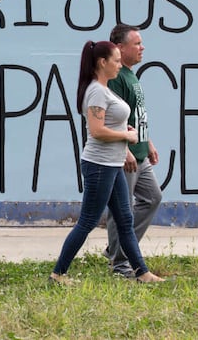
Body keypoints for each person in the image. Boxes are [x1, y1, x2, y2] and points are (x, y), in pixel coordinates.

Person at [49, 40, 163, 285]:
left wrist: (124, 127)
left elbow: (108, 122)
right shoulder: (96, 91)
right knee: (88, 221)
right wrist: (127, 136)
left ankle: (142, 273)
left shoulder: (104, 89)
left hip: (112, 164)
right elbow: (97, 130)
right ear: (102, 62)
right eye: (116, 60)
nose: (119, 65)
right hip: (99, 165)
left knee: (125, 219)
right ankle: (58, 274)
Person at [104, 24, 162, 279]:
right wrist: (124, 149)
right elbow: (112, 118)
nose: (142, 47)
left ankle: (117, 248)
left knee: (152, 198)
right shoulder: (116, 78)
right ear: (120, 48)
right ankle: (120, 265)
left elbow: (136, 117)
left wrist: (147, 142)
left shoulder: (130, 74)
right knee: (122, 209)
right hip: (125, 156)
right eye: (136, 43)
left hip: (139, 153)